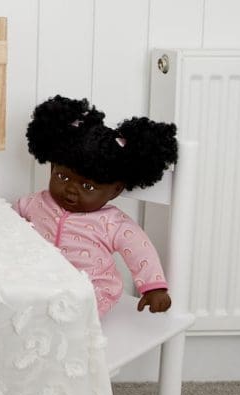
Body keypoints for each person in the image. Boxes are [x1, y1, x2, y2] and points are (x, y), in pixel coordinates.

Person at [14, 95, 178, 317]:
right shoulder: (33, 203)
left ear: (115, 190)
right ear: (52, 167)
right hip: (40, 282)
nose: (71, 189)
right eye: (62, 177)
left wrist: (154, 288)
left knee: (74, 315)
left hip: (91, 291)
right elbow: (6, 226)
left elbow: (141, 251)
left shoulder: (113, 223)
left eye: (88, 187)